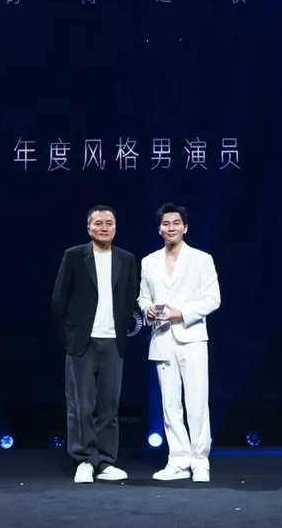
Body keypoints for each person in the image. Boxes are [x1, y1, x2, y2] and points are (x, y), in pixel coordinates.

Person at [51, 206, 140, 484]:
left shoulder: (126, 259)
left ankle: (105, 461)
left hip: (113, 342)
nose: (104, 227)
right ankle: (84, 460)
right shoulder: (75, 255)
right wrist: (69, 338)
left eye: (109, 223)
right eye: (98, 223)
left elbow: (130, 299)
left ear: (116, 227)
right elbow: (59, 300)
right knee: (81, 405)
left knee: (109, 406)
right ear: (88, 228)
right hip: (82, 342)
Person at [139, 203, 221, 482]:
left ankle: (200, 461)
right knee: (170, 404)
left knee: (197, 402)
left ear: (185, 227)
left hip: (192, 337)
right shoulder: (149, 261)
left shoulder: (201, 259)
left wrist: (181, 313)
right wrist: (148, 309)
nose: (171, 227)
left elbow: (213, 299)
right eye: (166, 223)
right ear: (159, 229)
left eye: (176, 223)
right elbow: (143, 296)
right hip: (162, 338)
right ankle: (177, 460)